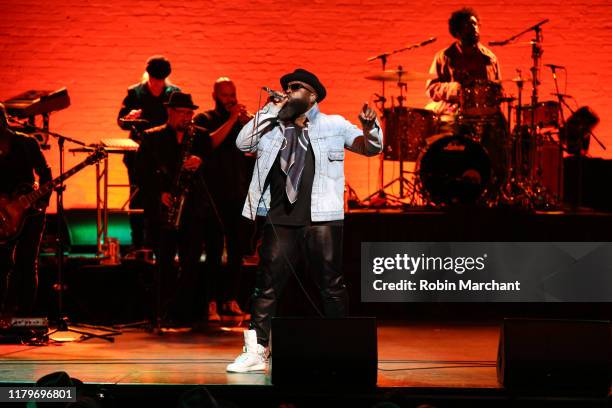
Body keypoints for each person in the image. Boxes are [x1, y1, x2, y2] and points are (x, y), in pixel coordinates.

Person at [226, 68, 382, 372]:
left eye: (296, 87)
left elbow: (370, 147)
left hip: (322, 218)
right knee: (266, 286)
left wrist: (370, 126)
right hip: (279, 218)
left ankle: (341, 346)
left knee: (331, 284)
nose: (289, 90)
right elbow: (242, 144)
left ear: (312, 95)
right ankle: (258, 350)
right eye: (287, 87)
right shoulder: (272, 126)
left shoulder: (334, 125)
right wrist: (271, 108)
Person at [135, 91, 217, 325]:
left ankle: (186, 314)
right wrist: (158, 193)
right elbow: (139, 173)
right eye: (182, 112)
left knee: (191, 263)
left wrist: (202, 161)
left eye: (190, 112)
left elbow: (215, 169)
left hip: (193, 209)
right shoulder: (152, 138)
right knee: (164, 264)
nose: (187, 117)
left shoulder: (200, 137)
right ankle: (161, 314)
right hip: (164, 210)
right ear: (170, 112)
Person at [192, 78, 253, 322]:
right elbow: (208, 145)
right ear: (215, 96)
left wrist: (251, 126)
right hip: (211, 195)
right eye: (226, 95)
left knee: (238, 250)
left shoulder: (240, 122)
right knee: (215, 250)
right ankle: (211, 301)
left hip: (237, 192)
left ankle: (230, 299)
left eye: (233, 94)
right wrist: (231, 121)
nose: (231, 99)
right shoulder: (205, 120)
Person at [118, 55, 180, 250]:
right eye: (153, 79)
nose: (156, 83)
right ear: (148, 75)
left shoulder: (173, 93)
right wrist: (129, 117)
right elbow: (121, 122)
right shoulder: (135, 93)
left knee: (166, 197)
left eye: (160, 80)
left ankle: (165, 244)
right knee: (138, 197)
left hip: (165, 154)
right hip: (139, 154)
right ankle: (138, 245)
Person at [0, 103, 52, 318]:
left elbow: (45, 175)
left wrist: (41, 202)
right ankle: (3, 313)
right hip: (2, 215)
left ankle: (25, 317)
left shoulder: (26, 143)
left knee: (27, 263)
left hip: (30, 213)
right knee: (2, 263)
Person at [425, 7, 501, 116]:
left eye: (475, 24)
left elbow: (498, 88)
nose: (474, 28)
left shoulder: (490, 58)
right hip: (453, 112)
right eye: (467, 25)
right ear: (457, 32)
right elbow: (431, 89)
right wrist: (455, 89)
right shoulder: (443, 57)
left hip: (484, 114)